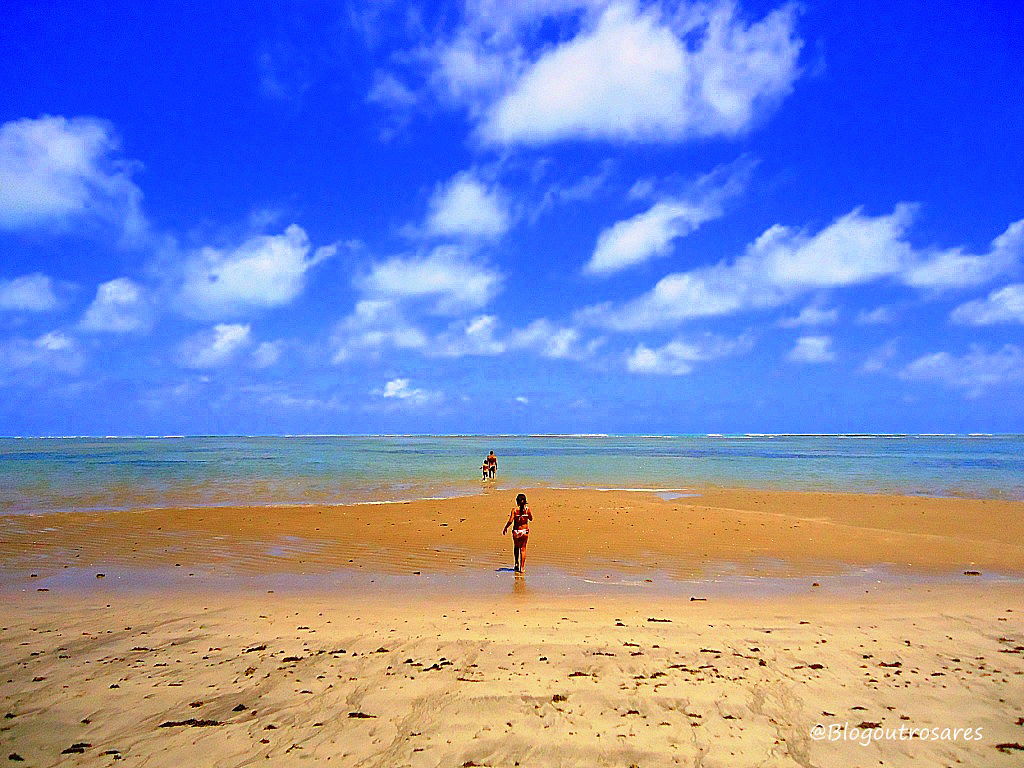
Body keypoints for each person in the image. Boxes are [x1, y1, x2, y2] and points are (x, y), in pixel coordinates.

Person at [502, 492, 532, 574]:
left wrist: (505, 528)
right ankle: (522, 568)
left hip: (516, 531)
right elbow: (531, 518)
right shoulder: (527, 510)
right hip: (524, 531)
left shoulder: (514, 510)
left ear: (517, 502)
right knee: (523, 549)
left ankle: (516, 563)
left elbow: (510, 521)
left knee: (516, 547)